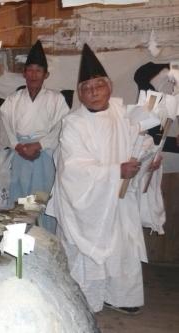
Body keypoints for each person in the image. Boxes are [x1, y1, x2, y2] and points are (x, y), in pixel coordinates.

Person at [46, 44, 165, 314]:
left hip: (120, 200)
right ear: (80, 94)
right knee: (88, 256)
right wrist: (114, 172)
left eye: (98, 86)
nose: (93, 92)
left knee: (122, 248)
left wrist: (150, 162)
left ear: (109, 87)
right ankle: (85, 301)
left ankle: (121, 297)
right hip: (89, 202)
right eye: (86, 88)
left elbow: (141, 145)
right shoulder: (73, 123)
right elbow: (72, 169)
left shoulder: (123, 114)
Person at [0, 40, 70, 234]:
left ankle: (44, 241)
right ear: (24, 74)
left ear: (46, 75)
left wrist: (39, 144)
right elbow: (6, 125)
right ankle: (21, 240)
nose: (34, 75)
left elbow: (62, 126)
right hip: (21, 156)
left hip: (43, 157)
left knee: (41, 198)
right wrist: (18, 146)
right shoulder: (13, 100)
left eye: (38, 71)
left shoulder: (56, 99)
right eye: (30, 70)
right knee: (22, 198)